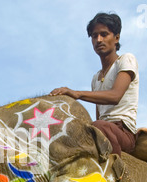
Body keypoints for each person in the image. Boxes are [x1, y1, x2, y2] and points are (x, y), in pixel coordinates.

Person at [50, 12, 139, 156]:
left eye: (104, 34)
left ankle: (116, 169)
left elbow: (115, 96)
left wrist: (77, 93)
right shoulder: (96, 78)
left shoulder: (126, 60)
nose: (98, 40)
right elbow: (99, 116)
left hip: (122, 132)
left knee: (99, 127)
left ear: (116, 38)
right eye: (94, 36)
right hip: (102, 128)